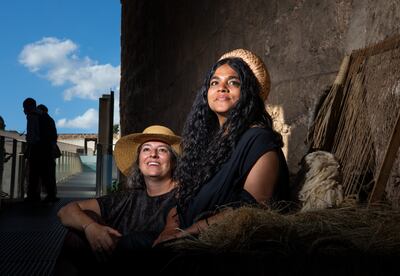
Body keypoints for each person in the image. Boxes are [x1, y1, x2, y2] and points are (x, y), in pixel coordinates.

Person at [154, 49, 290, 245]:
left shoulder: (259, 139)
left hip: (217, 247)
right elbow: (182, 201)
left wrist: (184, 235)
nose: (222, 88)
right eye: (214, 82)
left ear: (248, 93)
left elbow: (251, 211)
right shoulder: (207, 145)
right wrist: (169, 228)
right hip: (182, 238)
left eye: (233, 82)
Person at [56, 125, 181, 272]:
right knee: (78, 234)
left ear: (173, 162)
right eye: (146, 149)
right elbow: (65, 211)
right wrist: (91, 228)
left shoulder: (184, 194)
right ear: (139, 161)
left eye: (162, 150)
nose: (153, 154)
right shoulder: (128, 199)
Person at [22, 98, 58, 203]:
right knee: (47, 174)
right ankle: (51, 195)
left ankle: (33, 196)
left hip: (37, 149)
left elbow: (32, 136)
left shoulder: (32, 116)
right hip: (47, 150)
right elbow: (53, 136)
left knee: (33, 174)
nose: (24, 110)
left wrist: (29, 147)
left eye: (24, 108)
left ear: (29, 107)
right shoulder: (48, 117)